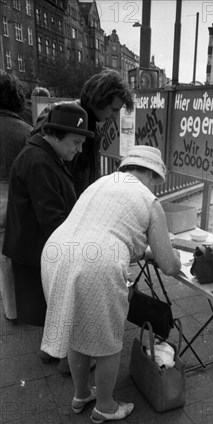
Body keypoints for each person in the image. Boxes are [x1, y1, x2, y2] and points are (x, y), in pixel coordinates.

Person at [40, 145, 181, 424]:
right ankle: (105, 406)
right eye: (157, 180)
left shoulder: (101, 183)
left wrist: (146, 249)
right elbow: (169, 265)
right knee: (108, 341)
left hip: (56, 253)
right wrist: (173, 254)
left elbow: (110, 228)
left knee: (76, 331)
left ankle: (82, 394)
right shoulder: (149, 200)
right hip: (97, 263)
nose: (157, 186)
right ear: (152, 174)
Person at [2, 102, 94, 328]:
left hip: (37, 248)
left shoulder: (44, 154)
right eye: (76, 142)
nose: (79, 150)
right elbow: (52, 218)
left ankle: (53, 350)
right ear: (55, 135)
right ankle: (58, 354)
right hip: (37, 251)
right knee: (50, 314)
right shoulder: (39, 161)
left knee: (49, 315)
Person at [33, 69, 134, 197]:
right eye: (114, 109)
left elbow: (89, 174)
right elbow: (36, 166)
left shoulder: (93, 125)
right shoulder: (58, 114)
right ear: (100, 99)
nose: (115, 115)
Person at [0, 71, 32, 323]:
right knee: (11, 260)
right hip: (13, 202)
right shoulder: (26, 132)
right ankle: (17, 310)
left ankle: (10, 311)